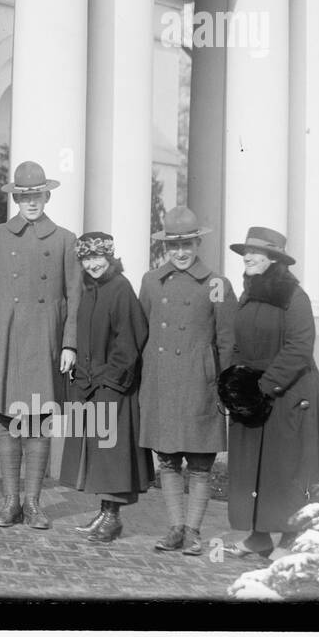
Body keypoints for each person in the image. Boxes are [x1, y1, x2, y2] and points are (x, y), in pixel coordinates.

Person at [0, 160, 81, 530]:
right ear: (16, 197)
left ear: (47, 196)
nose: (31, 201)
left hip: (46, 340)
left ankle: (33, 503)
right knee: (8, 420)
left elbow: (75, 298)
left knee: (39, 422)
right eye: (24, 195)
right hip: (6, 339)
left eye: (37, 195)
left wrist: (70, 345)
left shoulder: (65, 239)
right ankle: (10, 502)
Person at [223, 226, 319, 559]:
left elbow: (300, 347)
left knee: (286, 469)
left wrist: (264, 386)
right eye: (246, 252)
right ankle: (258, 537)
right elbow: (240, 341)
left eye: (256, 252)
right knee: (255, 465)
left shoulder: (294, 296)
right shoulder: (249, 292)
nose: (248, 257)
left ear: (274, 259)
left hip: (289, 394)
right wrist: (235, 385)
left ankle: (289, 539)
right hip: (256, 394)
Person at [137, 206, 236, 555]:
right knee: (166, 460)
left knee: (199, 464)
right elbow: (142, 332)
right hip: (162, 382)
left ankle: (194, 532)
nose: (181, 252)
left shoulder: (216, 284)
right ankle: (175, 528)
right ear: (165, 247)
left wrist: (223, 388)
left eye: (188, 244)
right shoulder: (151, 281)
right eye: (174, 246)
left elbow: (226, 340)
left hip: (199, 384)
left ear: (198, 244)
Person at [58, 232, 153, 543]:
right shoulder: (89, 288)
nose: (93, 264)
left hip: (114, 386)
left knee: (113, 454)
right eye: (87, 258)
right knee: (100, 453)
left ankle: (113, 518)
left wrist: (110, 379)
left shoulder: (121, 289)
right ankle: (104, 511)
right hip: (91, 384)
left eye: (98, 257)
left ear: (110, 257)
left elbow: (130, 342)